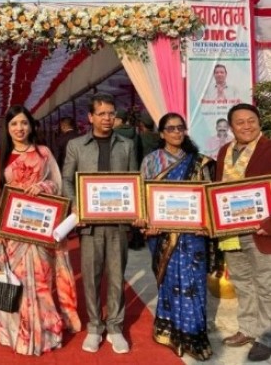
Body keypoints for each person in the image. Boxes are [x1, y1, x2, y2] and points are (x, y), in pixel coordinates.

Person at [0, 105, 81, 356]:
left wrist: (43, 186)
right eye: (14, 124)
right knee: (16, 282)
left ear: (31, 126)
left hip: (41, 228)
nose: (19, 128)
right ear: (7, 128)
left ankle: (46, 333)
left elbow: (57, 184)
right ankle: (19, 334)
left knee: (41, 281)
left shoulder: (43, 153)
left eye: (24, 123)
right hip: (12, 230)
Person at [62, 92, 137, 354]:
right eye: (102, 113)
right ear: (90, 117)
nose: (107, 118)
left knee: (116, 276)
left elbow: (134, 180)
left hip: (118, 223)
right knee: (91, 277)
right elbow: (67, 179)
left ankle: (115, 326)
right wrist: (75, 204)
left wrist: (133, 215)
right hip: (89, 224)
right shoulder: (77, 145)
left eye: (111, 113)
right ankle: (95, 326)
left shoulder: (127, 145)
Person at [140, 112, 215, 361]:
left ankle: (194, 335)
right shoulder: (151, 160)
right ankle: (169, 333)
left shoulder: (199, 162)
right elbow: (143, 196)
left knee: (194, 285)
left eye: (180, 128)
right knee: (170, 283)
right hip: (162, 235)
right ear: (162, 134)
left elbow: (207, 197)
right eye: (170, 129)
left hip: (193, 235)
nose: (176, 132)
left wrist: (206, 223)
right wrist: (147, 223)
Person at [215, 103, 271, 362]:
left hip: (261, 230)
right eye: (240, 122)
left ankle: (267, 337)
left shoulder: (268, 149)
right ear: (231, 127)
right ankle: (248, 328)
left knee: (266, 285)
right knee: (242, 283)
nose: (247, 126)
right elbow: (216, 190)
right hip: (230, 231)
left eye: (251, 120)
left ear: (259, 122)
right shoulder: (224, 151)